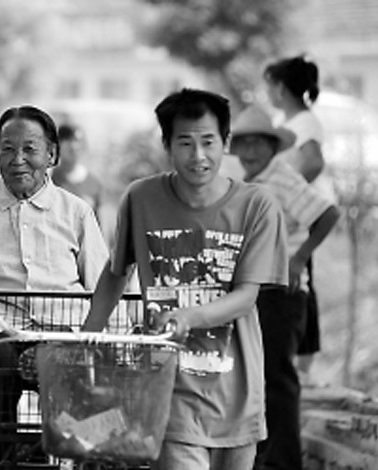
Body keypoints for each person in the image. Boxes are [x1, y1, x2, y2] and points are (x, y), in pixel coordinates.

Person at [83, 88, 288, 470]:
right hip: (166, 393)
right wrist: (84, 342)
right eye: (185, 143)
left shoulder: (257, 206)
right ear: (167, 145)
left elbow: (246, 296)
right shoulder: (140, 199)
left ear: (225, 143)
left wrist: (186, 318)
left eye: (208, 142)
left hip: (238, 397)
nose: (198, 156)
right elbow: (116, 273)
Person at [0, 105, 108, 460]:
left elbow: (103, 285)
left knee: (76, 382)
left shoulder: (76, 213)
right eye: (7, 149)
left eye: (29, 148)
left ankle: (58, 456)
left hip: (63, 335)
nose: (17, 159)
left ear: (51, 154)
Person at [230, 104, 340, 470]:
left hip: (283, 292)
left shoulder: (283, 176)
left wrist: (298, 259)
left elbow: (327, 214)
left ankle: (284, 462)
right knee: (256, 379)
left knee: (277, 378)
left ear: (272, 147)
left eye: (258, 144)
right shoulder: (247, 183)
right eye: (243, 144)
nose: (249, 152)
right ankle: (264, 458)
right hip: (256, 291)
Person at [264, 54, 333, 383]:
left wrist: (291, 193)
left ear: (279, 87)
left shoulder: (304, 123)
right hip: (288, 217)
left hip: (300, 219)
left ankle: (303, 364)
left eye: (269, 85)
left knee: (301, 285)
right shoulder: (287, 121)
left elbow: (314, 161)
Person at [51, 123, 104, 221]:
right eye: (68, 140)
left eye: (78, 141)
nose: (74, 146)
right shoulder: (48, 180)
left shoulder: (93, 183)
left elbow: (99, 225)